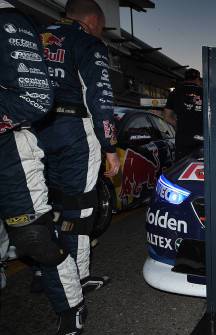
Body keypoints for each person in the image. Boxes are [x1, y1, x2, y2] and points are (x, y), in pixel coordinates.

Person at [0, 0, 85, 335]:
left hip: (7, 149)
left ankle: (71, 305)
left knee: (34, 238)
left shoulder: (7, 19)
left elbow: (36, 96)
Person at [35, 0, 118, 294]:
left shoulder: (33, 35)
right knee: (79, 209)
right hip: (74, 134)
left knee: (46, 206)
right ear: (93, 20)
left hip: (35, 132)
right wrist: (110, 148)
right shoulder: (87, 43)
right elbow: (101, 100)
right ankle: (78, 278)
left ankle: (47, 270)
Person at [164, 68, 203, 160]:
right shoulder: (204, 92)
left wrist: (179, 125)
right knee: (201, 166)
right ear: (197, 79)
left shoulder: (175, 93)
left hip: (183, 137)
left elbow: (167, 116)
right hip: (201, 137)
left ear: (185, 78)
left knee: (182, 166)